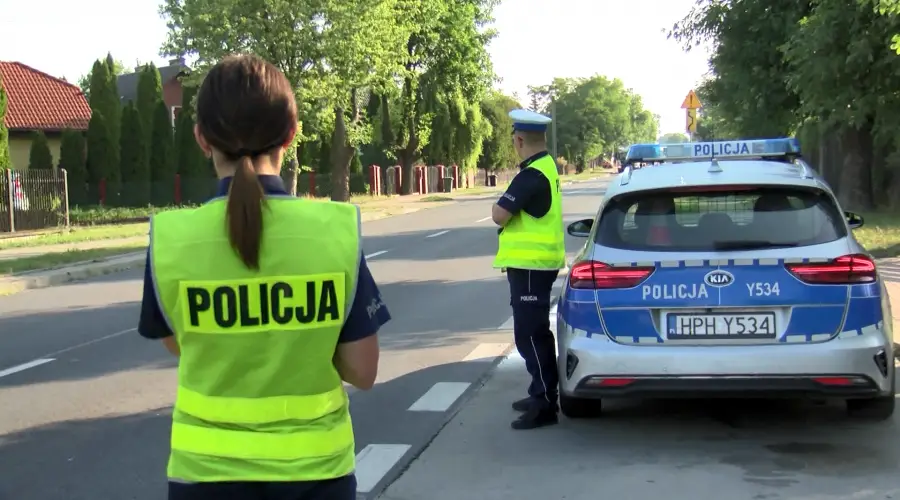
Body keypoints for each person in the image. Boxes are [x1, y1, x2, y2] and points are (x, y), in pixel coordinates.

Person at [137, 54, 391, 500]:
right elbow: (364, 370)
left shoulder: (171, 239)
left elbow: (183, 344)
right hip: (317, 476)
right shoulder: (335, 232)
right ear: (291, 135)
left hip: (204, 478)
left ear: (201, 139)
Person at [491, 109, 566, 430]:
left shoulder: (532, 174)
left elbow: (499, 214)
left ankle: (545, 402)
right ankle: (540, 391)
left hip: (531, 265)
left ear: (519, 140)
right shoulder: (546, 167)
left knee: (531, 334)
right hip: (535, 265)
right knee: (533, 332)